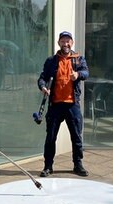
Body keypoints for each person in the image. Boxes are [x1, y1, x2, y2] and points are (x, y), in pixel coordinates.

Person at [37, 31, 89, 177]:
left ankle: (78, 165)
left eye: (68, 41)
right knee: (51, 137)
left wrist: (77, 75)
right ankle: (48, 166)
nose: (65, 44)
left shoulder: (79, 59)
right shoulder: (51, 60)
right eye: (63, 41)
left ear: (72, 43)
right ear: (58, 43)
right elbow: (42, 78)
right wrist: (43, 87)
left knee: (76, 136)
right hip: (55, 104)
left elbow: (86, 72)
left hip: (73, 104)